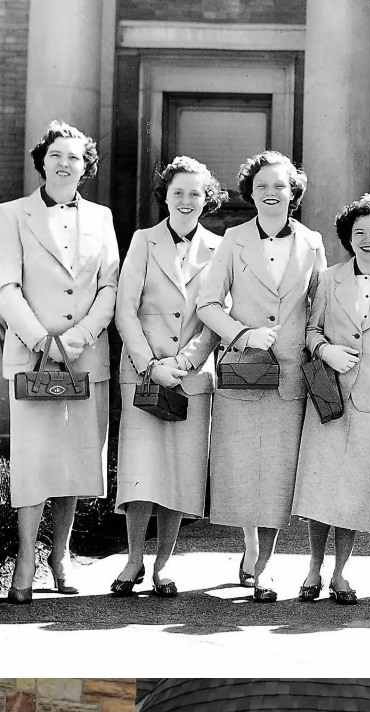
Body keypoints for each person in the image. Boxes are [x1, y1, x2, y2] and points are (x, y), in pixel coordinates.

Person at [197, 150, 326, 602]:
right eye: (262, 186)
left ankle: (265, 567)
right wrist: (243, 333)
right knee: (239, 468)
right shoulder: (232, 240)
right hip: (244, 371)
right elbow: (208, 304)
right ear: (250, 193)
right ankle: (250, 550)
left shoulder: (311, 242)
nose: (272, 193)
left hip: (290, 375)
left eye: (280, 185)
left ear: (294, 192)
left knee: (275, 472)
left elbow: (319, 310)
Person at [0, 120, 119, 604]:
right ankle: (26, 561)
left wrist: (80, 336)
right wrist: (40, 340)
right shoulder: (12, 214)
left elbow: (110, 285)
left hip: (84, 356)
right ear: (42, 162)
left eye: (74, 157)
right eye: (56, 156)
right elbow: (5, 287)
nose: (64, 164)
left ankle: (61, 556)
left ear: (86, 166)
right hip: (33, 358)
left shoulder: (103, 217)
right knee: (33, 462)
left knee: (73, 462)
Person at [291, 196, 370, 605]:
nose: (367, 240)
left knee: (356, 491)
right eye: (359, 232)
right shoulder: (328, 279)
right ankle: (313, 567)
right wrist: (326, 350)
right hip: (329, 398)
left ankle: (341, 573)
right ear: (348, 237)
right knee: (321, 486)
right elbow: (310, 331)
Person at [113, 157, 225, 598]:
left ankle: (164, 564)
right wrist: (150, 364)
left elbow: (216, 315)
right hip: (143, 375)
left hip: (190, 378)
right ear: (166, 195)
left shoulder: (221, 248)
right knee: (141, 472)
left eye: (195, 193)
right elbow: (125, 308)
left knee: (179, 472)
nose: (185, 200)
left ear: (207, 199)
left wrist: (185, 363)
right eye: (178, 192)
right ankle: (133, 559)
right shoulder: (144, 241)